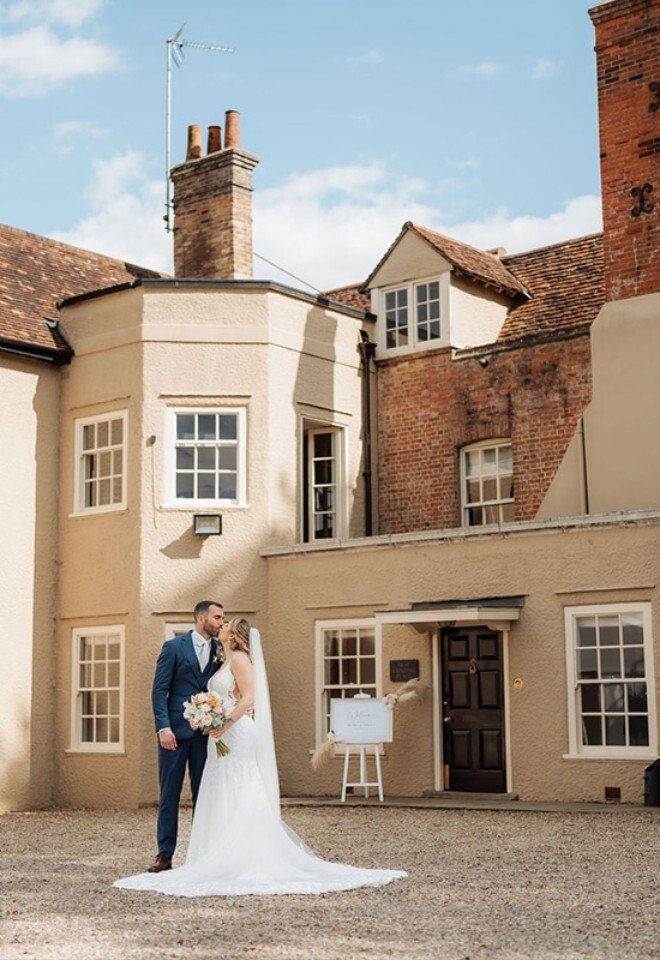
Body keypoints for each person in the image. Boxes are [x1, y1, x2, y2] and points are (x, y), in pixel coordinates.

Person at [115, 618, 407, 896]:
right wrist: (208, 718)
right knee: (220, 790)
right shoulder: (223, 659)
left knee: (240, 786)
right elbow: (222, 694)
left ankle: (243, 856)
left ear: (233, 635)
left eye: (226, 624)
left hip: (236, 732)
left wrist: (223, 724)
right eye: (220, 620)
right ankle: (216, 855)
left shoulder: (240, 659)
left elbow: (249, 697)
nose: (222, 624)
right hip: (219, 735)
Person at [147, 599, 225, 873]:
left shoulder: (221, 649)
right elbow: (159, 691)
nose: (221, 622)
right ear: (200, 619)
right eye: (217, 617)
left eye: (222, 618)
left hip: (206, 735)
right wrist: (163, 728)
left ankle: (200, 854)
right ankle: (164, 854)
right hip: (175, 735)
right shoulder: (173, 647)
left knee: (204, 795)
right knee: (169, 794)